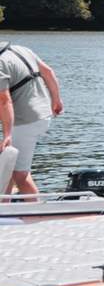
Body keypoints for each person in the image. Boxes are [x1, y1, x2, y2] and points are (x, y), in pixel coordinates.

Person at [0, 42, 63, 198]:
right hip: (42, 114)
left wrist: (7, 134)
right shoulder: (20, 49)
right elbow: (48, 72)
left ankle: (37, 213)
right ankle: (5, 212)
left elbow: (4, 100)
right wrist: (56, 100)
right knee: (5, 169)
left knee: (19, 175)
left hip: (24, 122)